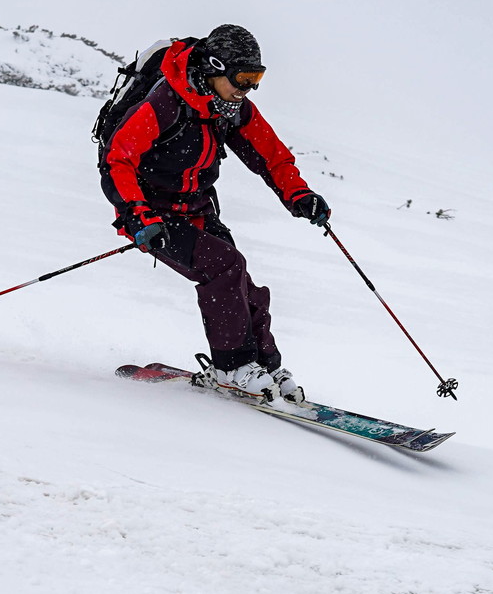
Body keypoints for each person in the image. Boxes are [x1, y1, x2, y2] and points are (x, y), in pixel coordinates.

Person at [99, 24, 330, 401]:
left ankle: (265, 365)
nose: (248, 88)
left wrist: (299, 194)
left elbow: (271, 156)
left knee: (242, 283)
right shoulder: (165, 103)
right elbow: (118, 160)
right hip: (151, 214)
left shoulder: (229, 108)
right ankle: (233, 367)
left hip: (196, 208)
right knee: (224, 265)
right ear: (214, 67)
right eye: (243, 77)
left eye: (256, 78)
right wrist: (138, 216)